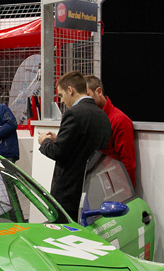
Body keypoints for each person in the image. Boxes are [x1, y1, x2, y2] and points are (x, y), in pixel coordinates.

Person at [38, 70, 111, 219]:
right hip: (92, 191)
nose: (62, 101)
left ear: (70, 90)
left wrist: (44, 141)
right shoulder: (102, 115)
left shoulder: (73, 114)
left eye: (61, 95)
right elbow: (84, 145)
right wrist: (59, 138)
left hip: (68, 193)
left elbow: (58, 153)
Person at [84, 75, 136, 187]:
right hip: (94, 184)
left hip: (114, 188)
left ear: (99, 91)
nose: (85, 102)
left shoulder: (120, 120)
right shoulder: (88, 118)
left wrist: (127, 193)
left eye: (88, 96)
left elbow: (128, 162)